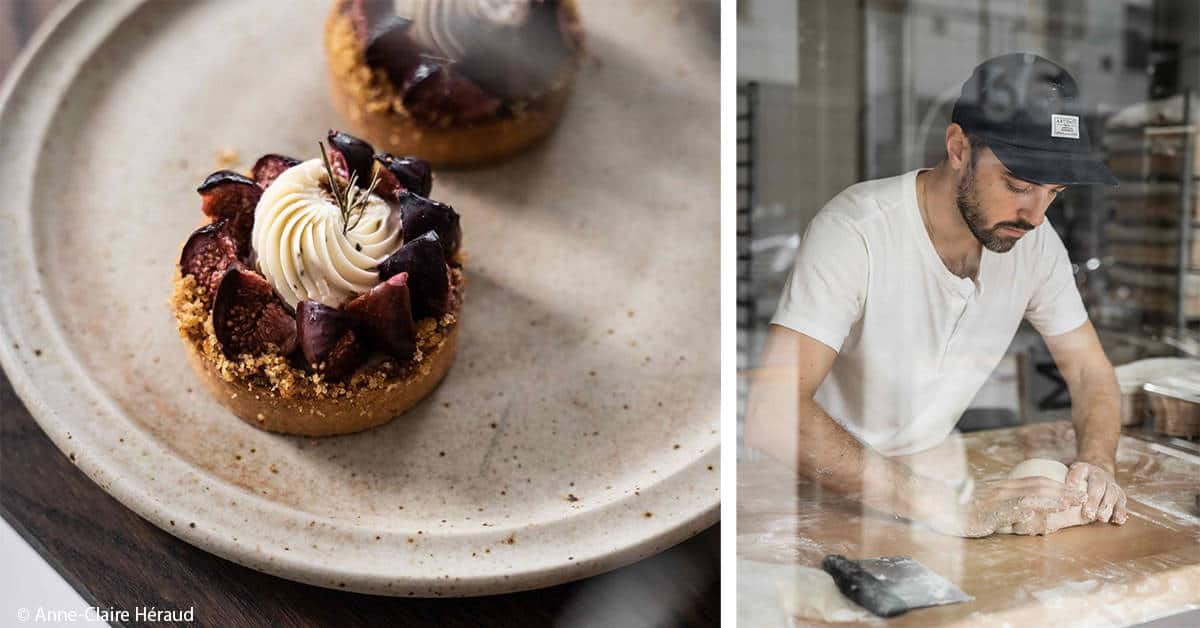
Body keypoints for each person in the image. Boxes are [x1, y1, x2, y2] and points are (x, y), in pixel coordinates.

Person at [744, 53, 1128, 537]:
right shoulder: (856, 231)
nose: (1034, 214)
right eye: (1018, 184)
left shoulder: (1036, 244)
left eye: (1055, 191)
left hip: (928, 480)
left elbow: (1090, 370)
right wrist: (944, 505)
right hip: (812, 492)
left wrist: (1097, 462)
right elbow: (774, 412)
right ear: (958, 148)